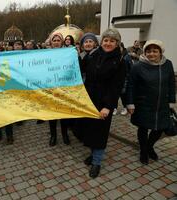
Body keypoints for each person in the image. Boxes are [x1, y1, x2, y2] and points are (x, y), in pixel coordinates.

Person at [81, 28, 126, 178]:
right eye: (106, 40)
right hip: (90, 100)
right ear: (101, 42)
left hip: (104, 103)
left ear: (117, 43)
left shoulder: (120, 60)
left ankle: (97, 162)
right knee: (90, 129)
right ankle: (93, 154)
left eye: (112, 41)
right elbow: (81, 69)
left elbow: (116, 86)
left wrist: (108, 106)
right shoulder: (94, 55)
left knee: (100, 133)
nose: (108, 43)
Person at [126, 40, 175, 165]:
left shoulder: (167, 64)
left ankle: (149, 146)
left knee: (159, 128)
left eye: (155, 51)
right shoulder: (138, 66)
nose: (151, 54)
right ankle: (143, 151)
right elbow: (131, 86)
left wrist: (172, 101)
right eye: (148, 51)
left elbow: (171, 83)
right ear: (145, 52)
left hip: (162, 103)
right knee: (143, 128)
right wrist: (130, 103)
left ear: (160, 52)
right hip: (143, 103)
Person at [48, 33, 71, 146]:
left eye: (58, 40)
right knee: (52, 115)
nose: (56, 42)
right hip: (50, 89)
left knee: (64, 114)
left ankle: (65, 134)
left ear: (62, 42)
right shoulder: (45, 55)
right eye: (54, 40)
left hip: (64, 88)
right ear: (51, 42)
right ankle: (53, 136)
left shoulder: (68, 53)